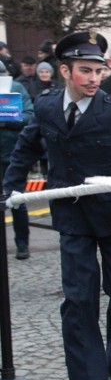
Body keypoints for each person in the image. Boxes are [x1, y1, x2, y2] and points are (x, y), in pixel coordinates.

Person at [3, 31, 111, 380]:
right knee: (78, 301)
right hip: (72, 218)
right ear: (65, 71)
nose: (94, 78)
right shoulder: (46, 108)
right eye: (86, 71)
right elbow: (26, 149)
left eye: (99, 70)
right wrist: (9, 187)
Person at [0, 62, 34, 259]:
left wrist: (6, 120)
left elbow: (29, 116)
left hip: (11, 154)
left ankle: (22, 244)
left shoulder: (16, 88)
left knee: (16, 199)